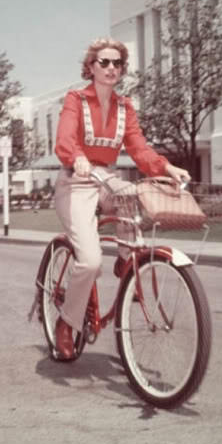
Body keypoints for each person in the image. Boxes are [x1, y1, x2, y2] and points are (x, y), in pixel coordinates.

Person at [52, 37, 190, 359]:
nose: (111, 68)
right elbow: (64, 139)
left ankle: (129, 261)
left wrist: (167, 167)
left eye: (117, 63)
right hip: (76, 181)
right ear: (91, 67)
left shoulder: (125, 107)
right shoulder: (76, 99)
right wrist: (77, 157)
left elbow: (139, 148)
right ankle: (65, 323)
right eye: (104, 62)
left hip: (107, 178)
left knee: (133, 194)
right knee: (89, 262)